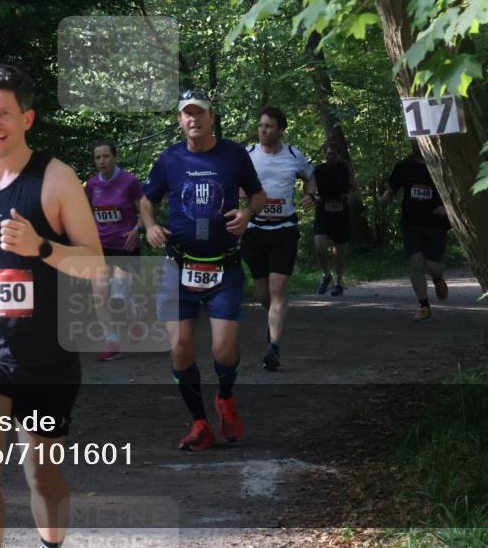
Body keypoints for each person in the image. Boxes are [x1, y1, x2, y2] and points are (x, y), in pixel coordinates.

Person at [0, 64, 103, 548]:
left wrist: (43, 248)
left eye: (4, 113)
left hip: (47, 353)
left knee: (42, 476)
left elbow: (94, 263)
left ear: (27, 118)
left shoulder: (55, 179)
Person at [140, 88, 265, 451]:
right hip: (177, 266)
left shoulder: (233, 154)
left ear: (212, 118)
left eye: (200, 113)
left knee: (224, 351)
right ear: (180, 120)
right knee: (179, 347)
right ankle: (199, 424)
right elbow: (146, 201)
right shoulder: (169, 159)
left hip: (223, 267)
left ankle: (225, 397)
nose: (193, 119)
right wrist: (149, 226)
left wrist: (248, 213)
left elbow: (257, 195)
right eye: (186, 114)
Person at [242, 107, 316, 372]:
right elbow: (236, 182)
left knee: (277, 286)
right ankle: (274, 320)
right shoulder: (248, 155)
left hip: (284, 228)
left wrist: (311, 195)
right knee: (263, 292)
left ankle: (273, 346)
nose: (263, 130)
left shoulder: (294, 155)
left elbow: (311, 177)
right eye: (261, 126)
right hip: (254, 229)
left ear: (281, 130)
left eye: (269, 126)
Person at [85, 139, 144, 361]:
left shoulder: (129, 182)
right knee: (99, 295)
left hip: (125, 246)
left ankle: (134, 313)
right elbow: (85, 213)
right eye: (98, 157)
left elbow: (145, 210)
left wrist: (137, 229)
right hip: (100, 247)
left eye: (106, 156)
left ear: (115, 157)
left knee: (119, 295)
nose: (102, 161)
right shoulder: (91, 185)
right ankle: (112, 340)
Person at [378, 140, 451, 320]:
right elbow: (392, 190)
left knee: (433, 265)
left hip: (436, 224)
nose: (417, 144)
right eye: (414, 141)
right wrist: (383, 200)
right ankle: (424, 306)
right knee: (415, 262)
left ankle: (437, 276)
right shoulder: (404, 166)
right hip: (411, 223)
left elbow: (455, 190)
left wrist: (446, 207)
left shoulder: (440, 164)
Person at [312, 141, 361, 297]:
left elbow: (355, 189)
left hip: (341, 212)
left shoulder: (344, 169)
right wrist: (313, 198)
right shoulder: (318, 170)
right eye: (327, 154)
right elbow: (309, 189)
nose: (330, 156)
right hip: (323, 211)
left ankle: (338, 283)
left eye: (333, 154)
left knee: (340, 252)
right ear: (324, 154)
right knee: (320, 245)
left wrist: (350, 200)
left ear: (338, 155)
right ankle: (326, 275)